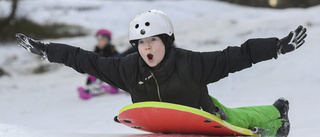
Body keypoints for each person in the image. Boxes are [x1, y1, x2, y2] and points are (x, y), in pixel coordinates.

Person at [15, 9, 306, 137]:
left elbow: (236, 56)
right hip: (164, 120)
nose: (147, 47)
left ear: (167, 41)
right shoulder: (125, 68)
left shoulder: (192, 64)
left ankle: (278, 113)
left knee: (243, 119)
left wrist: (276, 47)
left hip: (206, 115)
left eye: (153, 40)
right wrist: (47, 50)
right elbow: (84, 60)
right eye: (141, 42)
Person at [77, 29, 120, 100]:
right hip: (98, 74)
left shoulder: (112, 51)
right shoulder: (96, 51)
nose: (100, 42)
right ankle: (89, 88)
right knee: (91, 73)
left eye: (103, 40)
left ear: (108, 41)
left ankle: (112, 87)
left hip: (109, 74)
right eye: (99, 40)